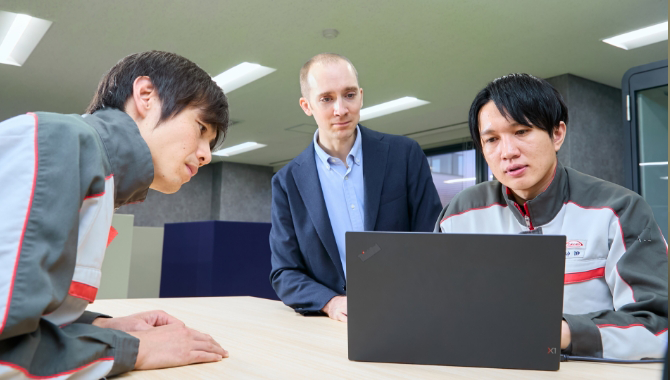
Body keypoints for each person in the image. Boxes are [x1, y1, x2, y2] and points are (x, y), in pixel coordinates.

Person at [0, 51, 230, 378]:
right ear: (146, 95)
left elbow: (25, 313)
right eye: (201, 127)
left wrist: (101, 324)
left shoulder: (101, 178)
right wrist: (134, 347)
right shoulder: (61, 143)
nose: (206, 155)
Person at [438, 73, 668, 360]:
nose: (508, 152)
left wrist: (561, 333)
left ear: (557, 134)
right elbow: (435, 310)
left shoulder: (620, 210)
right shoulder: (459, 214)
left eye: (521, 131)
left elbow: (659, 328)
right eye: (492, 139)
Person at [270, 53, 442, 322]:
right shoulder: (287, 181)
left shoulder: (404, 155)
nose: (341, 109)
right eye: (326, 99)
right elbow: (284, 272)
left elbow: (432, 240)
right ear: (306, 105)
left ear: (361, 96)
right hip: (333, 324)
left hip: (409, 312)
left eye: (349, 95)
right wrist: (331, 302)